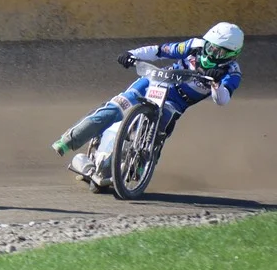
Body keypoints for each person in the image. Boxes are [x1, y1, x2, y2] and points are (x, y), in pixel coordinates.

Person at [51, 22, 243, 167]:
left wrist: (216, 85)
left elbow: (222, 100)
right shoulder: (194, 45)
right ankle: (68, 140)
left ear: (232, 55)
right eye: (210, 48)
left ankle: (139, 167)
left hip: (175, 103)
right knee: (116, 107)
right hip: (154, 82)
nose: (211, 54)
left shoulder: (232, 72)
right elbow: (160, 51)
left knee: (161, 127)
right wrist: (132, 54)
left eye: (219, 53)